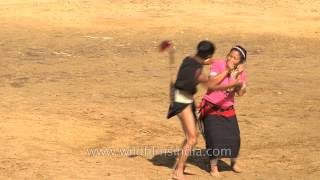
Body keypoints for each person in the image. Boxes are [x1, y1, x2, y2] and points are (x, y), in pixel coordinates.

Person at [167, 40, 216, 180]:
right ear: (208, 56)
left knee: (191, 136)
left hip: (182, 98)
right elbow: (211, 84)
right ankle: (178, 172)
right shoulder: (198, 73)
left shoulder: (188, 59)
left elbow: (198, 61)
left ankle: (180, 164)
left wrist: (209, 61)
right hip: (182, 102)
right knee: (192, 139)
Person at [199, 45, 247, 177]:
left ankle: (233, 163)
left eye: (235, 58)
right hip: (211, 107)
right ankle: (214, 167)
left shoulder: (241, 72)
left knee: (235, 138)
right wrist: (227, 70)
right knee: (214, 138)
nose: (231, 59)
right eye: (230, 55)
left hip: (228, 108)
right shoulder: (219, 64)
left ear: (240, 62)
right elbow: (212, 83)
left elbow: (240, 93)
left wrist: (239, 82)